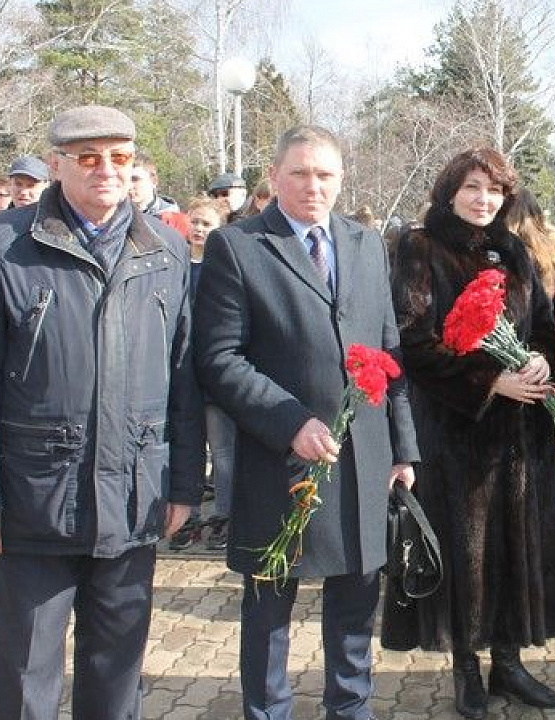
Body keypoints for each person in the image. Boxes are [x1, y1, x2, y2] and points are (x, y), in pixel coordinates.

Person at [0, 105, 204, 719]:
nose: (106, 169)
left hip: (133, 496)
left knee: (117, 671)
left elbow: (184, 380)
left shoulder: (165, 248)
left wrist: (185, 484)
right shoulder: (2, 244)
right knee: (24, 674)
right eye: (88, 157)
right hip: (37, 498)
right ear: (56, 165)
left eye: (119, 156)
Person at [194, 125, 419, 720]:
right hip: (279, 461)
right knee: (269, 611)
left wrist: (402, 448)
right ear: (274, 177)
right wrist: (290, 421)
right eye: (299, 173)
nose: (312, 186)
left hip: (363, 459)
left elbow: (389, 351)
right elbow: (218, 358)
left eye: (324, 174)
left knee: (355, 607)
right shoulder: (238, 247)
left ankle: (351, 708)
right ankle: (268, 711)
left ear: (341, 179)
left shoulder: (366, 244)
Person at [380, 148, 555, 719]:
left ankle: (508, 664)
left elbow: (543, 326)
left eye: (494, 191)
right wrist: (490, 381)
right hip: (458, 432)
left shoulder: (514, 250)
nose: (483, 199)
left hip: (521, 434)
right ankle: (466, 666)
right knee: (467, 554)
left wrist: (540, 360)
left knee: (516, 549)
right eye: (472, 187)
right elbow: (412, 341)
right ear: (450, 191)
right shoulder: (419, 247)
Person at [166, 196, 234, 552]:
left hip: (213, 375)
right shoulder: (174, 262)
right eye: (195, 222)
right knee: (186, 448)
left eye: (207, 224)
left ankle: (224, 515)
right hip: (180, 372)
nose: (198, 229)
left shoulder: (223, 267)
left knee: (222, 453)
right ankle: (187, 517)